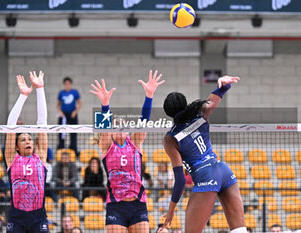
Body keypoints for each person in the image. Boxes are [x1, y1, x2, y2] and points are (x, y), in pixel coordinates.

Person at [160, 76, 245, 233]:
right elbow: (221, 91)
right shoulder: (202, 113)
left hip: (205, 176)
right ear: (185, 104)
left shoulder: (170, 138)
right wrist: (224, 84)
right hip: (223, 170)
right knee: (239, 231)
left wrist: (170, 211)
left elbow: (179, 180)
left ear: (168, 113)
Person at [89, 70, 164, 233]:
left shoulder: (135, 143)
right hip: (116, 205)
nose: (120, 128)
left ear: (129, 130)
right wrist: (105, 104)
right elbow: (105, 128)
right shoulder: (107, 146)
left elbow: (144, 121)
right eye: (116, 126)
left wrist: (149, 95)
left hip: (138, 204)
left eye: (123, 126)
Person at [4, 71, 49, 233]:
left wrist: (40, 89)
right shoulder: (12, 158)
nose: (28, 141)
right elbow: (10, 126)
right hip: (17, 217)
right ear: (16, 146)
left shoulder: (41, 156)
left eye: (30, 139)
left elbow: (42, 123)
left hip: (38, 217)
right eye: (23, 139)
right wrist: (23, 95)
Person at [57, 77, 82, 153]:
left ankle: (73, 149)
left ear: (71, 84)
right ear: (64, 84)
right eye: (66, 84)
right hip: (63, 115)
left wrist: (75, 112)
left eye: (68, 84)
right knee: (61, 132)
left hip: (72, 114)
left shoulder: (75, 92)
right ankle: (61, 148)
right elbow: (58, 104)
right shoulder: (61, 93)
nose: (67, 85)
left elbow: (80, 104)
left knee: (73, 132)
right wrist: (60, 112)